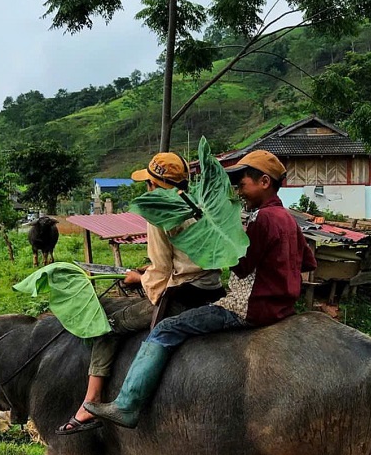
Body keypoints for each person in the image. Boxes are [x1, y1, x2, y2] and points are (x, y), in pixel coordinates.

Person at [84, 149, 317, 429]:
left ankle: (126, 404)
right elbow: (308, 261)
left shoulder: (261, 219)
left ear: (264, 182)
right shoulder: (288, 218)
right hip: (282, 307)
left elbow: (240, 266)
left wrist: (219, 242)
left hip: (248, 307)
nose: (239, 191)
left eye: (243, 184)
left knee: (165, 330)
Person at [57, 152, 223, 434]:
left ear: (155, 186)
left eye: (148, 183)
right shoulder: (200, 205)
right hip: (212, 289)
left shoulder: (158, 213)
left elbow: (160, 273)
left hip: (183, 296)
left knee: (108, 327)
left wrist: (140, 278)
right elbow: (189, 258)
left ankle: (90, 404)